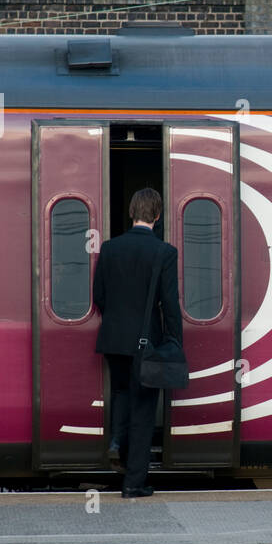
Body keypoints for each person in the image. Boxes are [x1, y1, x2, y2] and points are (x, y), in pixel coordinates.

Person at [93, 188, 182, 498]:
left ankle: (118, 442)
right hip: (147, 343)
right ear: (157, 216)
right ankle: (134, 482)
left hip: (113, 340)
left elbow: (99, 297)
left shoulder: (109, 248)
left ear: (132, 213)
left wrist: (118, 322)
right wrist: (174, 343)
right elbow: (170, 305)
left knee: (120, 393)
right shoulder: (164, 252)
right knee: (144, 409)